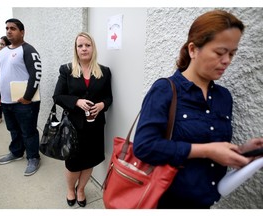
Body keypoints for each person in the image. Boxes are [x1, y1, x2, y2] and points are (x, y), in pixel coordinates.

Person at [133, 10, 263, 209]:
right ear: (193, 49)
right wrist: (207, 151)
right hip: (167, 203)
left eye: (232, 53)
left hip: (206, 202)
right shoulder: (165, 90)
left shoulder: (224, 97)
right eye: (220, 52)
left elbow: (214, 144)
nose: (227, 60)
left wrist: (242, 152)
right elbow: (143, 147)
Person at [53, 32, 113, 207]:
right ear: (76, 49)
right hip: (73, 126)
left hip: (95, 126)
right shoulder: (66, 70)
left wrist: (102, 105)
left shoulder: (104, 71)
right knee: (73, 163)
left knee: (90, 160)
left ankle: (81, 190)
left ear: (93, 48)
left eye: (87, 45)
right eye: (80, 46)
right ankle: (71, 189)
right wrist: (76, 101)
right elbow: (57, 96)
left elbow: (109, 98)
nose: (84, 48)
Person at [0, 18, 42, 176]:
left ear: (22, 32)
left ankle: (33, 157)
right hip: (7, 101)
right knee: (13, 129)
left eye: (13, 28)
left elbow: (36, 75)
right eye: (7, 28)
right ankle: (16, 152)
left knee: (28, 131)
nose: (9, 31)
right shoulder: (2, 52)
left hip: (25, 102)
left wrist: (27, 97)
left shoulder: (28, 50)